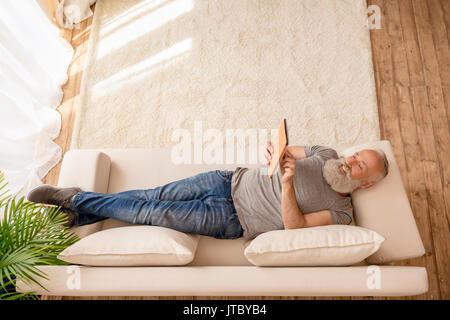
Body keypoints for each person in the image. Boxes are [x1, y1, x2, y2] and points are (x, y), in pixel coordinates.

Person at [27, 143, 389, 240]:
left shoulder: (341, 213)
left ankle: (73, 198)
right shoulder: (326, 154)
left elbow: (294, 226)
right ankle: (81, 213)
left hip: (232, 219)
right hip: (225, 180)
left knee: (149, 213)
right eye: (355, 155)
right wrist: (275, 153)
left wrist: (288, 183)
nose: (349, 162)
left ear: (366, 183)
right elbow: (282, 150)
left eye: (360, 166)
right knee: (151, 196)